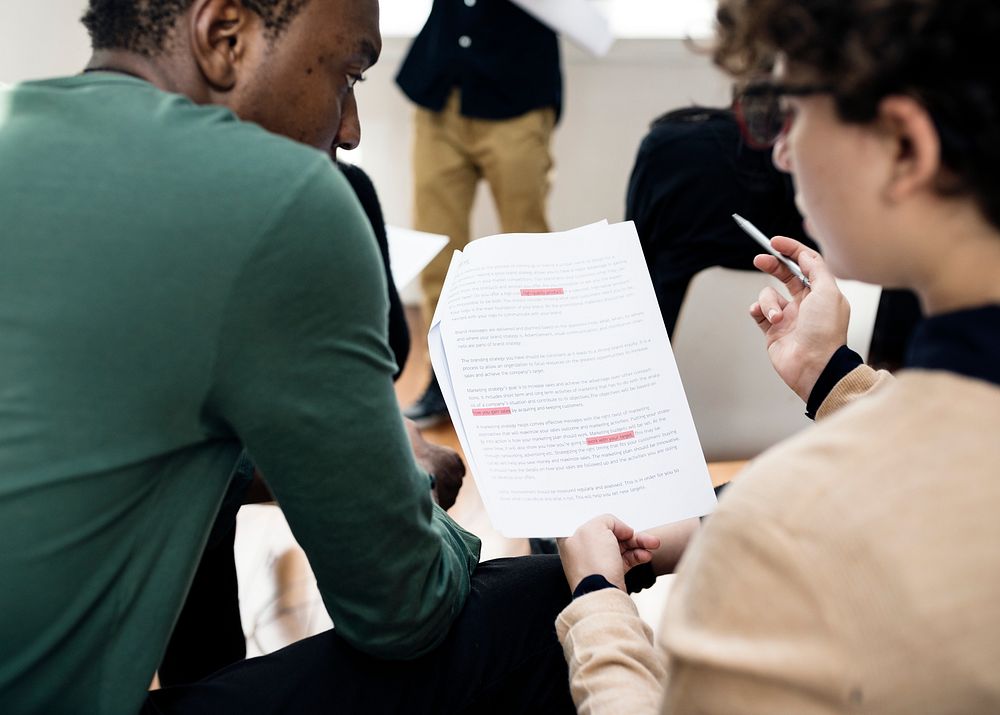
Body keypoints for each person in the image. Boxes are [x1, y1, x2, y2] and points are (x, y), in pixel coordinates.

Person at [0, 1, 576, 712]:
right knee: (550, 606)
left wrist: (282, 468)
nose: (353, 129)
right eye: (348, 75)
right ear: (225, 37)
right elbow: (406, 610)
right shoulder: (283, 198)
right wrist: (401, 483)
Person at [555, 0, 1000, 712]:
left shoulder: (784, 533)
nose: (783, 152)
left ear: (905, 146)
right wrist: (835, 377)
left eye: (788, 113)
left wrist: (600, 606)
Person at [396, 0, 562, 427]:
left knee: (528, 251)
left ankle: (539, 379)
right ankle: (445, 375)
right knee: (436, 245)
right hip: (441, 89)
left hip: (518, 91)